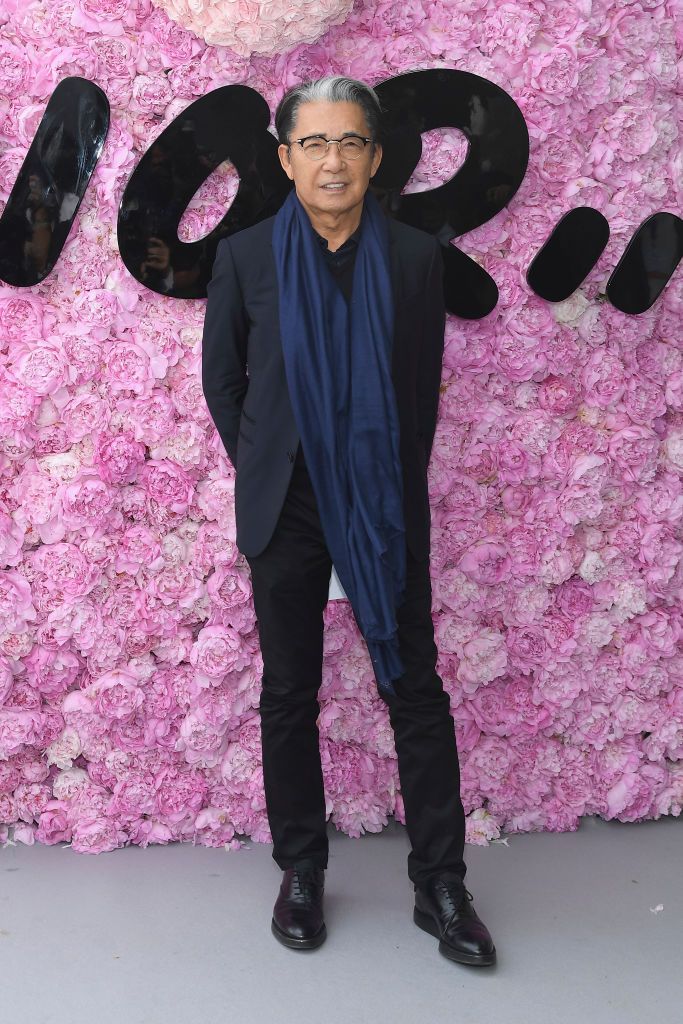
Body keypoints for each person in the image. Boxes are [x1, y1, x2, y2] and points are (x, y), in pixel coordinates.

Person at [201, 75, 496, 967]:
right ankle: (300, 871)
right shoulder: (245, 258)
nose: (333, 160)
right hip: (285, 505)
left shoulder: (412, 259)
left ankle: (440, 884)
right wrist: (275, 467)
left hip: (379, 505)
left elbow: (418, 396)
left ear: (374, 156)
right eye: (314, 144)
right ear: (286, 157)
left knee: (415, 688)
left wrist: (373, 479)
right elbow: (227, 386)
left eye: (350, 143)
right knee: (289, 692)